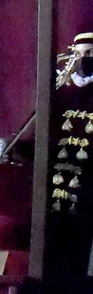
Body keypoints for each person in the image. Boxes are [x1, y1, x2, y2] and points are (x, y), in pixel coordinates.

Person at [36, 32, 93, 274]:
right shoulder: (59, 95)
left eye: (89, 53)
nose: (83, 59)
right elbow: (39, 137)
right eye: (78, 54)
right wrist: (11, 148)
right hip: (60, 195)